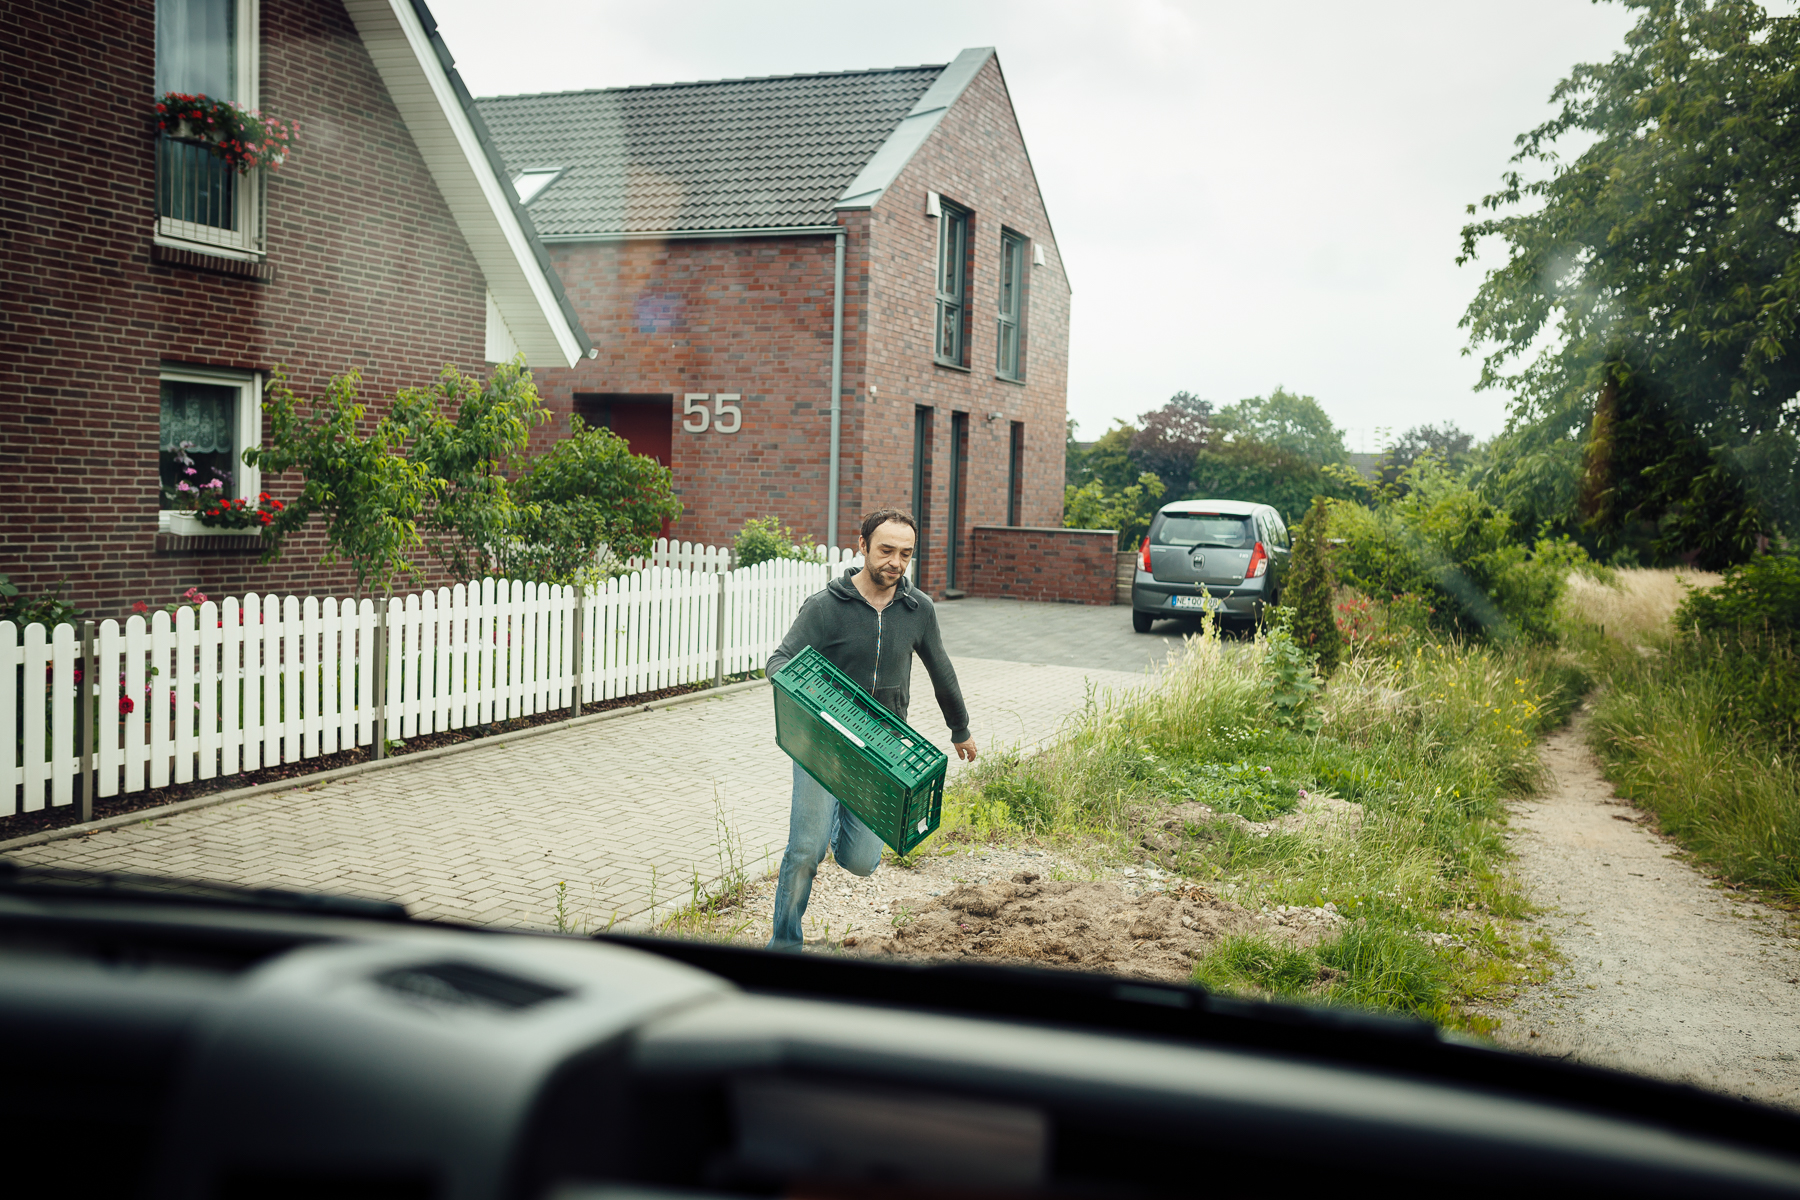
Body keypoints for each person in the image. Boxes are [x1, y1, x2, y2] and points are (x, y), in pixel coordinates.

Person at [764, 507, 977, 952]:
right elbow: (779, 662)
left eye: (905, 554)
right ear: (862, 546)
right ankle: (784, 946)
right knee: (805, 850)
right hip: (821, 745)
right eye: (885, 550)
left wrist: (959, 728)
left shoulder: (918, 609)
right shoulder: (825, 607)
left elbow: (941, 668)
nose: (895, 563)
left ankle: (839, 819)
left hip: (882, 751)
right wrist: (815, 699)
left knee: (861, 860)